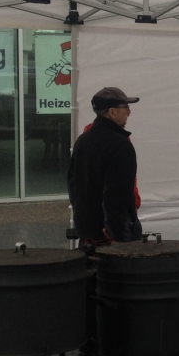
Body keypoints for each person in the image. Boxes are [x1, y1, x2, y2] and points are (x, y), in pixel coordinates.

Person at [69, 86, 143, 247]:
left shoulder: (82, 140)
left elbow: (73, 187)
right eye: (126, 107)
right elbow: (117, 194)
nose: (129, 112)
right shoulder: (120, 144)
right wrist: (117, 234)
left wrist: (82, 225)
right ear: (112, 112)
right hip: (110, 235)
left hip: (88, 231)